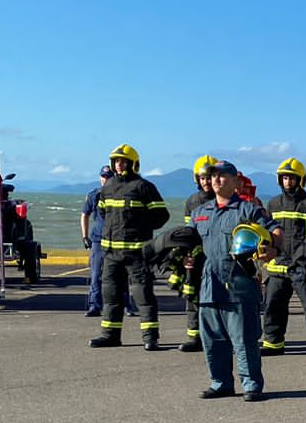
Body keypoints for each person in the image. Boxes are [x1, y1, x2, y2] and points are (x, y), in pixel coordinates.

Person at [190, 162, 273, 400]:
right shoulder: (200, 213)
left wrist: (270, 249)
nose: (216, 180)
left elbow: (274, 232)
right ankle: (220, 382)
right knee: (213, 340)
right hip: (209, 286)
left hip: (239, 286)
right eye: (212, 176)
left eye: (222, 176)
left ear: (236, 181)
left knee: (244, 339)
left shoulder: (248, 210)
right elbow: (191, 245)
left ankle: (251, 385)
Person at [90, 144, 169, 350]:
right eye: (116, 161)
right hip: (111, 255)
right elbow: (103, 213)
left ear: (134, 164)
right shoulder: (107, 187)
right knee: (111, 297)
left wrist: (139, 229)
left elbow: (162, 216)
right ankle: (110, 335)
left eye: (123, 161)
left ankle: (150, 338)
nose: (119, 165)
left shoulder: (144, 187)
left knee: (143, 296)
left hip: (137, 254)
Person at [261, 158, 306, 358]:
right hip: (278, 266)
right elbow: (266, 232)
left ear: (301, 179)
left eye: (292, 178)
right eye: (284, 178)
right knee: (272, 306)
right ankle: (273, 343)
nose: (288, 182)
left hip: (304, 267)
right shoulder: (273, 203)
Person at [175, 156, 217, 351]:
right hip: (197, 257)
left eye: (209, 177)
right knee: (193, 297)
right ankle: (194, 336)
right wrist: (186, 256)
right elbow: (187, 233)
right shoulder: (192, 202)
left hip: (218, 257)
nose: (206, 182)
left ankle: (219, 337)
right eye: (202, 178)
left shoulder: (224, 199)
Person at [81, 165, 135, 318]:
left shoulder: (121, 194)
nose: (105, 179)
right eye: (103, 176)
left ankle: (127, 305)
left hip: (118, 239)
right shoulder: (94, 195)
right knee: (96, 273)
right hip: (98, 238)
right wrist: (85, 236)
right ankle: (94, 306)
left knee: (122, 274)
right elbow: (84, 215)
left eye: (108, 177)